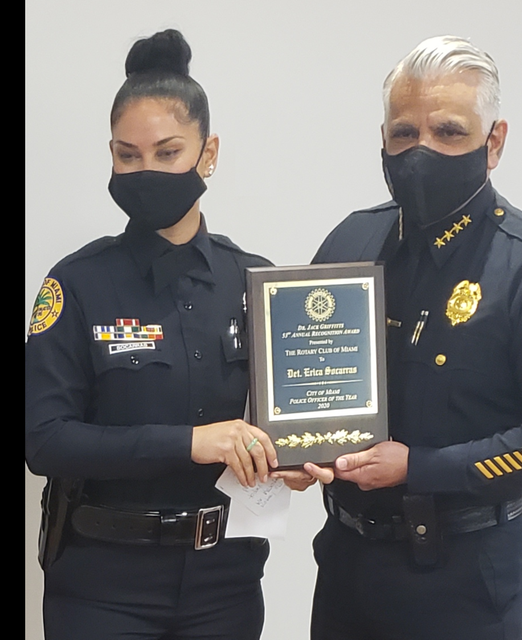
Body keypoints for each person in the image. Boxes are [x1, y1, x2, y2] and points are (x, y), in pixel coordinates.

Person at [301, 35, 522, 640]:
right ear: (383, 140)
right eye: (403, 134)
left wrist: (421, 467)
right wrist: (297, 450)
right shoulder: (350, 244)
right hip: (346, 560)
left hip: (465, 573)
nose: (421, 151)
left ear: (493, 142)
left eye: (447, 133)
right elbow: (314, 378)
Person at [25, 29, 313, 640]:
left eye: (166, 152)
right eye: (127, 155)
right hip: (103, 585)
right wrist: (191, 442)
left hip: (225, 581)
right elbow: (44, 441)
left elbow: (284, 418)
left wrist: (295, 456)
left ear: (208, 154)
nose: (145, 170)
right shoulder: (75, 285)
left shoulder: (258, 282)